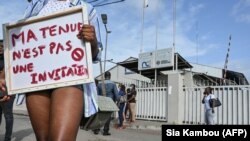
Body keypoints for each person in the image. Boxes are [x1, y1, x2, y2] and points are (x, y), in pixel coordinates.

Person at [0, 0, 102, 140]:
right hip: (36, 81)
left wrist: (93, 41)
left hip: (69, 79)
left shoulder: (87, 9)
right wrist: (7, 79)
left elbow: (95, 55)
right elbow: (19, 45)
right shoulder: (36, 5)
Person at [93, 71, 119, 135]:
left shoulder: (99, 84)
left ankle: (96, 130)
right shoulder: (113, 84)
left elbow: (97, 94)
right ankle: (105, 131)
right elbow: (117, 95)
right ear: (110, 76)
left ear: (104, 76)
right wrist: (115, 101)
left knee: (99, 116)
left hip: (101, 101)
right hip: (110, 102)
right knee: (107, 117)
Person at [0, 39, 16, 141]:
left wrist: (6, 93)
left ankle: (7, 138)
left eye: (2, 46)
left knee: (8, 115)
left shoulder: (10, 59)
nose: (0, 48)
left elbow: (13, 76)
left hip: (8, 90)